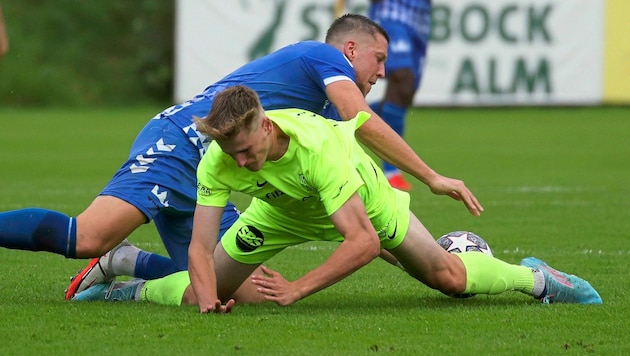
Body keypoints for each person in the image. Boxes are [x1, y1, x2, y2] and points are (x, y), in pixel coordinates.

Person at [0, 14, 480, 301]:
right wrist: (432, 176)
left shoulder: (322, 116)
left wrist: (421, 257)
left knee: (239, 291)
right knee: (89, 235)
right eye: (378, 58)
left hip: (219, 166)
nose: (381, 71)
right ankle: (106, 251)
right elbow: (367, 123)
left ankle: (127, 265)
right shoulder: (324, 58)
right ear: (350, 48)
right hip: (184, 142)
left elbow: (357, 205)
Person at [73, 85, 602, 311]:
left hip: (366, 205)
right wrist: (209, 297)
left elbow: (364, 242)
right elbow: (201, 243)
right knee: (198, 292)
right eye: (229, 153)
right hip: (278, 213)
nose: (238, 161)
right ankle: (127, 287)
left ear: (264, 125)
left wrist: (297, 290)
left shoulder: (317, 148)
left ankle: (538, 279)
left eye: (245, 150)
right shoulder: (220, 156)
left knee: (451, 279)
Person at [368, 0, 432, 191]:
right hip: (391, 14)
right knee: (402, 79)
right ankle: (391, 171)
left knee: (406, 93)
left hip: (419, 18)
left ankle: (346, 115)